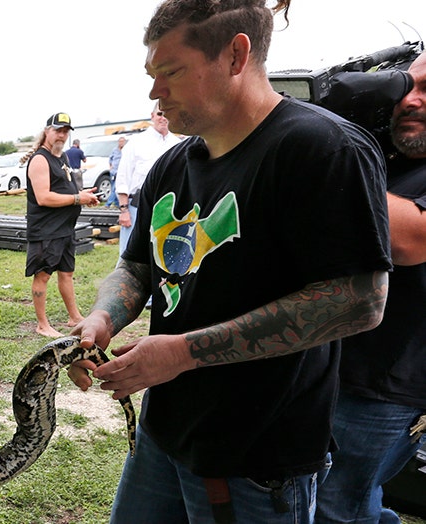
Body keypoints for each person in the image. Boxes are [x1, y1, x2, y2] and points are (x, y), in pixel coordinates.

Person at [66, 1, 391, 522]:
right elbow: (137, 268)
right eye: (152, 76)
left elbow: (358, 301)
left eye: (171, 72)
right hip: (164, 436)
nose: (155, 93)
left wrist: (184, 353)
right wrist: (102, 317)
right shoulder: (174, 163)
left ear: (237, 54)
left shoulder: (319, 148)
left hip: (256, 460)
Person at [316, 51, 426, 524]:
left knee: (333, 505)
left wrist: (305, 156)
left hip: (387, 385)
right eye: (408, 88)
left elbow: (406, 238)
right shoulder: (381, 152)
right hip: (327, 361)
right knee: (350, 500)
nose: (412, 101)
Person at [25, 112, 100, 338]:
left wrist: (81, 194)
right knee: (43, 275)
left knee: (67, 273)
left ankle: (74, 317)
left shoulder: (63, 157)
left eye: (66, 131)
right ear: (46, 131)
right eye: (58, 130)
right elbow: (44, 197)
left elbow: (64, 190)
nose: (62, 135)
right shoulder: (40, 159)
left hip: (65, 228)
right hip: (46, 229)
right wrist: (78, 199)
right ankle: (42, 324)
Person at [113, 104, 182, 256]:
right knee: (128, 256)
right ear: (152, 116)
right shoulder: (136, 143)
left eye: (166, 113)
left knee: (162, 255)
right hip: (136, 208)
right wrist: (124, 211)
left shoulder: (178, 145)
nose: (163, 118)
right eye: (159, 114)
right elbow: (123, 178)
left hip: (167, 210)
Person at [104, 136, 127, 208]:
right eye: (120, 141)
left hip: (121, 172)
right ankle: (113, 204)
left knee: (116, 188)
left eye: (122, 141)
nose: (121, 143)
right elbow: (110, 159)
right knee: (114, 187)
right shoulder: (114, 150)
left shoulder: (126, 150)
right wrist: (110, 167)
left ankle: (111, 204)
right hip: (114, 171)